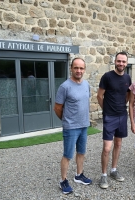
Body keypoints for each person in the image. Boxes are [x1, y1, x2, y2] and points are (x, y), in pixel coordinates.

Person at [54, 58, 92, 194]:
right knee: (68, 155)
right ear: (71, 68)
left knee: (81, 152)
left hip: (84, 125)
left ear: (84, 69)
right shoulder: (65, 86)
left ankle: (79, 175)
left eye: (81, 68)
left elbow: (85, 102)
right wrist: (66, 120)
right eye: (76, 68)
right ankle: (63, 181)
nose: (79, 71)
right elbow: (57, 108)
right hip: (71, 127)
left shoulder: (86, 84)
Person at [97, 51, 131, 189]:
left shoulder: (128, 78)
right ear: (115, 61)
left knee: (118, 144)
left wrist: (122, 105)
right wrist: (107, 110)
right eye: (119, 61)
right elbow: (99, 96)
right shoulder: (107, 77)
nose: (121, 63)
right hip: (109, 117)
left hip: (122, 116)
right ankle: (103, 175)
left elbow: (128, 95)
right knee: (107, 148)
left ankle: (113, 170)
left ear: (126, 63)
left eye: (123, 61)